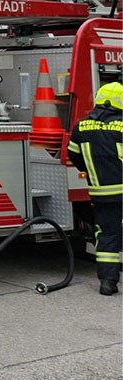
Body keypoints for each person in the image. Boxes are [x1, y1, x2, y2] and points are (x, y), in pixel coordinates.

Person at [67, 81, 123, 296]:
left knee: (107, 235)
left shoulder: (81, 127)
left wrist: (91, 172)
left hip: (102, 192)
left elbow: (73, 155)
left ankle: (107, 283)